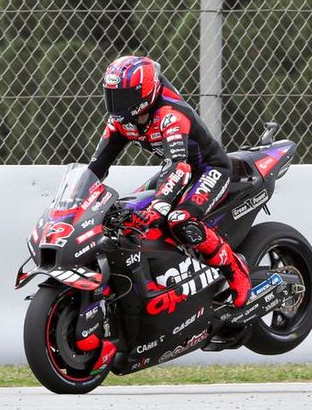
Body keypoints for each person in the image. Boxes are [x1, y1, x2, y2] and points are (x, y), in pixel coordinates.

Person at [87, 55, 251, 307]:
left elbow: (178, 165)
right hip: (174, 170)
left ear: (143, 93)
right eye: (111, 95)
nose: (114, 104)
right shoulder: (121, 121)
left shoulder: (171, 114)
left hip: (208, 169)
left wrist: (160, 205)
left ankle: (235, 268)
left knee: (180, 220)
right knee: (124, 211)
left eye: (122, 96)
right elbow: (97, 166)